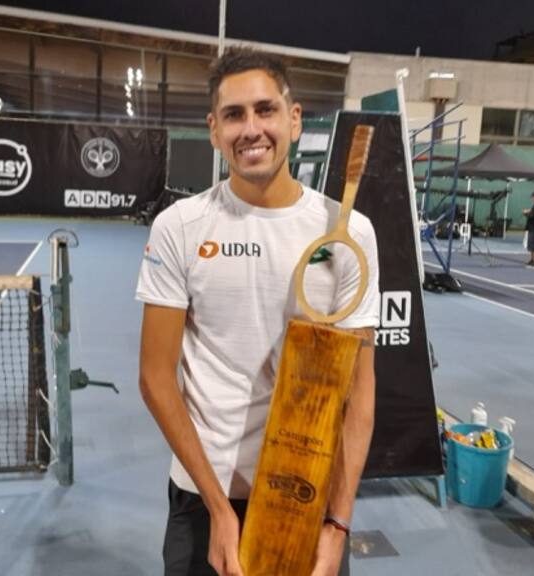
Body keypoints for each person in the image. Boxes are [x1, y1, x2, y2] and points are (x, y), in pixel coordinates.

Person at [136, 47, 380, 576]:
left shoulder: (349, 233)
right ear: (213, 130)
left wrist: (337, 525)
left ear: (294, 119)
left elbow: (358, 393)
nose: (252, 128)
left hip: (304, 498)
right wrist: (221, 511)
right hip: (203, 499)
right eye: (234, 115)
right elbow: (156, 378)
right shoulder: (178, 228)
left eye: (266, 110)